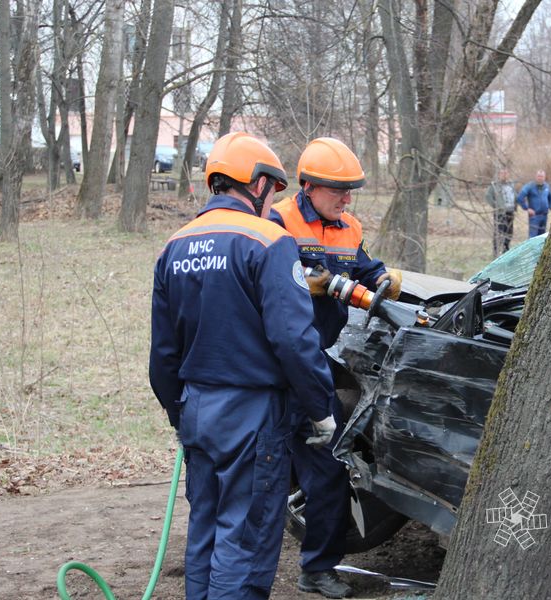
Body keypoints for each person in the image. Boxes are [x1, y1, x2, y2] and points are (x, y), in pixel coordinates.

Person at [149, 132, 338, 600]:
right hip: (252, 416)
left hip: (196, 410)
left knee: (206, 533)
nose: (274, 199)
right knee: (246, 539)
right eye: (273, 188)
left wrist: (181, 415)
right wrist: (321, 409)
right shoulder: (270, 241)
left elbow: (162, 354)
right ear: (256, 184)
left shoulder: (174, 246)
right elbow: (294, 339)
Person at [270, 137, 402, 599]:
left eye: (351, 191)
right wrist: (307, 283)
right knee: (258, 468)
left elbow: (367, 270)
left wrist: (384, 280)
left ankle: (317, 568)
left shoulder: (348, 226)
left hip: (314, 365)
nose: (347, 199)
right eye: (338, 191)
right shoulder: (278, 220)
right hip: (270, 368)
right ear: (308, 187)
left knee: (328, 466)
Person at [484, 167, 517, 255]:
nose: (504, 175)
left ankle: (506, 250)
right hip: (500, 213)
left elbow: (515, 196)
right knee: (499, 232)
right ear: (499, 175)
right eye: (502, 174)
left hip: (510, 212)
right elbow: (488, 196)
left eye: (506, 173)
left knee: (509, 232)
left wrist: (515, 206)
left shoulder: (511, 185)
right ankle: (496, 250)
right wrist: (496, 206)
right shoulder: (495, 185)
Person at [516, 169, 551, 237]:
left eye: (542, 176)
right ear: (536, 177)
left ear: (544, 177)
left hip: (544, 216)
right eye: (539, 176)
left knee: (542, 237)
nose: (540, 178)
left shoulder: (546, 186)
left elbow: (550, 197)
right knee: (533, 237)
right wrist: (527, 209)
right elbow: (520, 197)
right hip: (534, 216)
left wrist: (550, 206)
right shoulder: (530, 186)